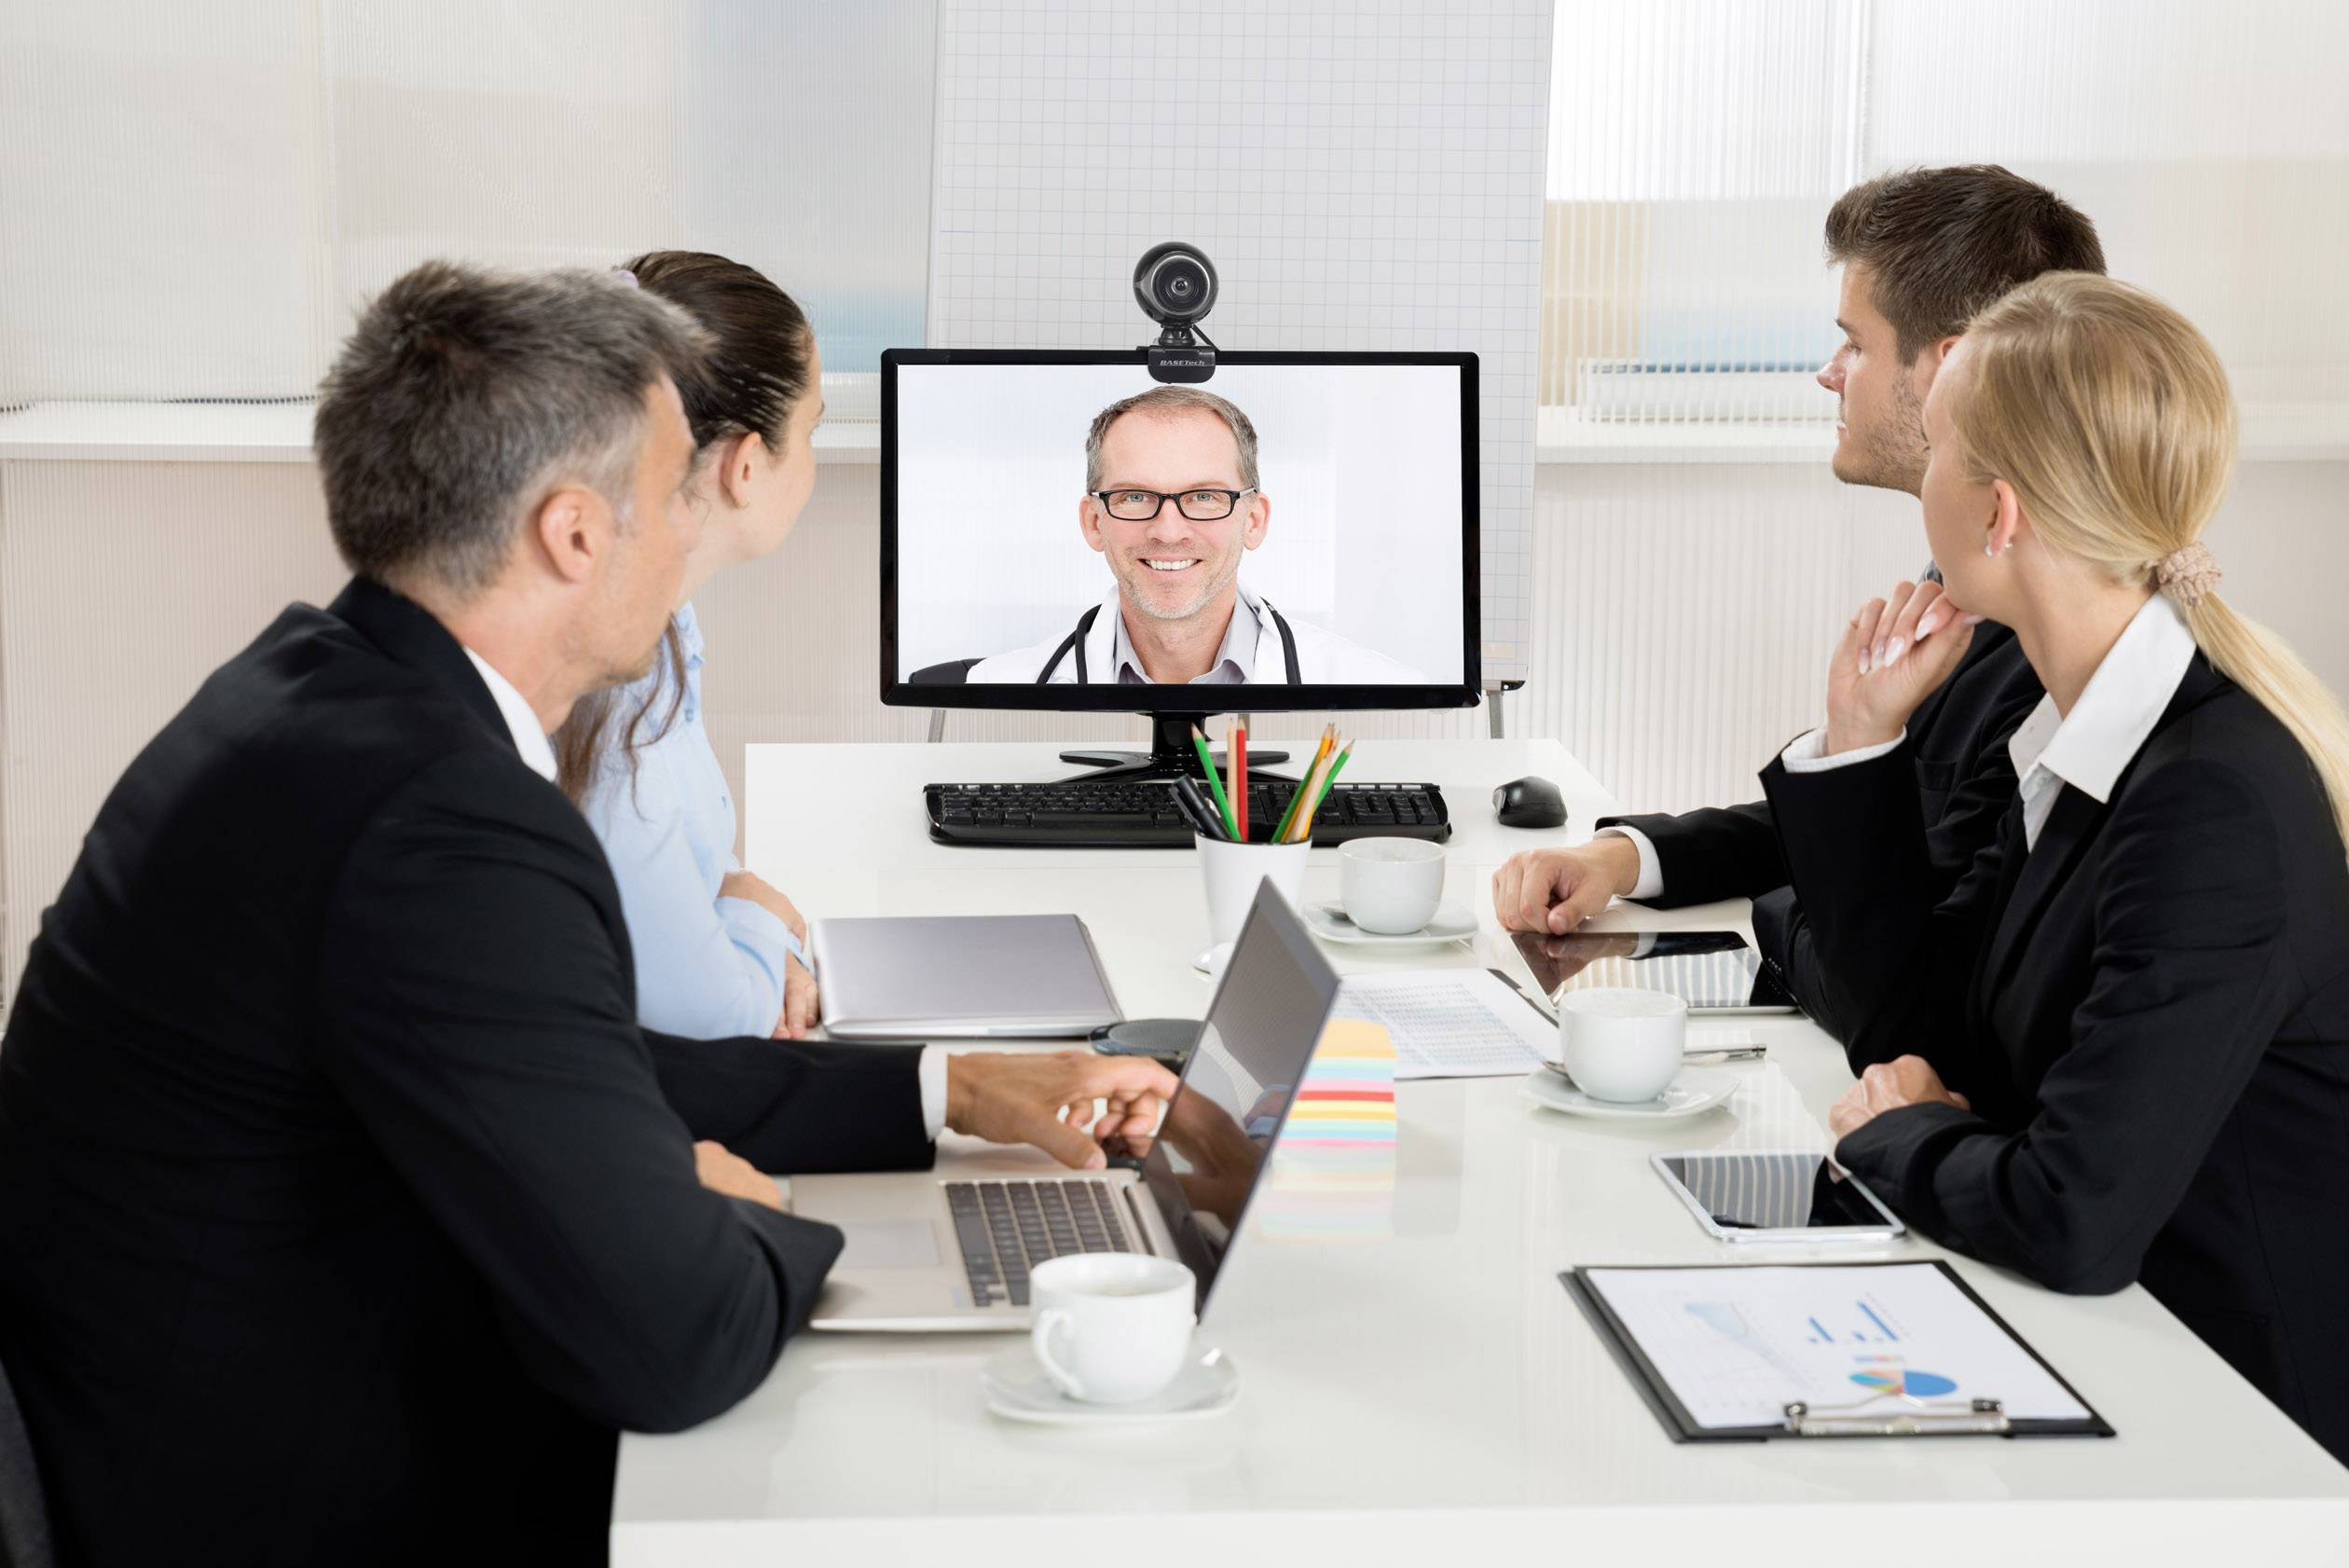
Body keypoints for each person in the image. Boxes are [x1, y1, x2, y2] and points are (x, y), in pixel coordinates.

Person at [0, 261, 1176, 1566]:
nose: (693, 524)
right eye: (675, 487)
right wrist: (746, 1207)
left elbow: (562, 1060)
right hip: (285, 1496)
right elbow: (674, 1341)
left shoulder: (316, 688)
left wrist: (949, 1091)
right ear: (573, 533)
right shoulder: (442, 819)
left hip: (193, 1401)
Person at [1763, 273, 2349, 1462]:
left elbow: (2071, 1211)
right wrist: (1865, 748)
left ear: (2002, 512)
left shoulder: (2208, 798)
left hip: (2234, 1416)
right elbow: (1923, 1025)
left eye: (1936, 450)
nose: (1917, 479)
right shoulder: (2088, 734)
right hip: (2109, 1349)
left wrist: (1895, 1133)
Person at [1491, 166, 2104, 1033]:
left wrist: (1783, 908)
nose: (1830, 372)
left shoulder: (2050, 651)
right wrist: (1628, 856)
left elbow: (1894, 960)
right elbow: (1864, 826)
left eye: (1855, 342)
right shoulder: (1967, 585)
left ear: (1955, 363)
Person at [552, 251, 825, 1040]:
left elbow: (701, 876)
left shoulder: (665, 625)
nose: (809, 457)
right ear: (745, 466)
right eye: (810, 430)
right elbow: (714, 1019)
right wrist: (761, 922)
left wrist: (738, 907)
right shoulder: (605, 692)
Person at [949, 385, 1428, 684]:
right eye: (1135, 496)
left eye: (1204, 496)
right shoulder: (995, 688)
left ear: (1254, 520)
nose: (1169, 531)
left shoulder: (1386, 689)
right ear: (1094, 522)